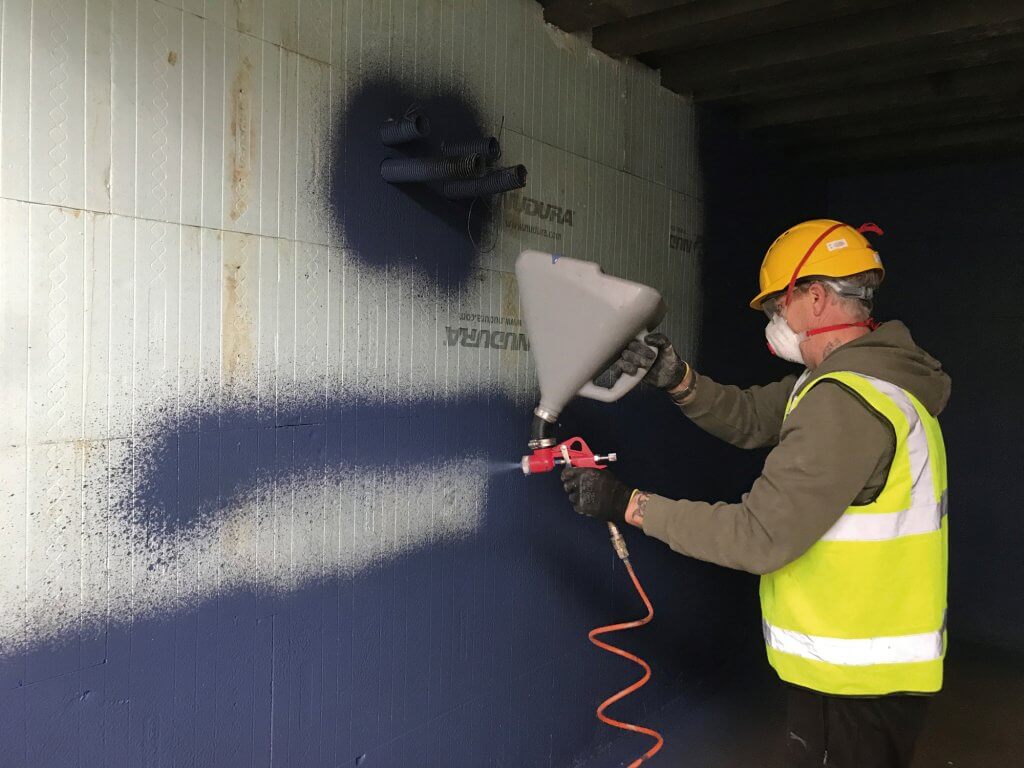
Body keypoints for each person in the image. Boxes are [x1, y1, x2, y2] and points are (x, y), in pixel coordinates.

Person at [560, 219, 950, 768]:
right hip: (860, 667)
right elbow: (749, 417)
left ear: (815, 298)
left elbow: (758, 536)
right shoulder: (857, 382)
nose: (774, 323)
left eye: (777, 307)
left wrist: (628, 505)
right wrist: (678, 379)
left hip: (856, 680)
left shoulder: (845, 402)